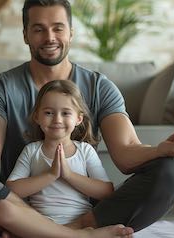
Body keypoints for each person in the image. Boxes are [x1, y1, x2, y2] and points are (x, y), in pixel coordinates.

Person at [0, 0, 174, 237]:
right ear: (26, 34)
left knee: (171, 174)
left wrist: (162, 149)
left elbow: (125, 155)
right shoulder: (2, 87)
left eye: (58, 28)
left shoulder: (100, 87)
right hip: (16, 205)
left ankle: (65, 229)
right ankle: (59, 232)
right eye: (39, 29)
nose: (49, 37)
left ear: (71, 33)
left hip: (86, 211)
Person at [6, 80, 113, 228]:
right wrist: (50, 175)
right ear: (37, 117)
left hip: (81, 222)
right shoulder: (32, 151)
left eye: (66, 113)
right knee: (3, 208)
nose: (57, 119)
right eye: (48, 113)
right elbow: (11, 190)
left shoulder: (85, 150)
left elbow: (106, 191)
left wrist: (68, 175)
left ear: (78, 119)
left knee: (115, 210)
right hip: (39, 223)